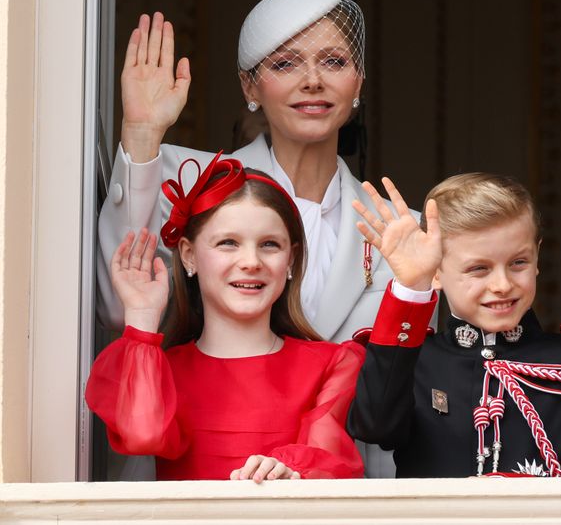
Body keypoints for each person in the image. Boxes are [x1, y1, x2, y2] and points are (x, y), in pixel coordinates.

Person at [97, 0, 406, 476]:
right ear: (249, 87)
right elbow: (122, 307)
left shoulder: (393, 224)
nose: (312, 81)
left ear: (359, 82)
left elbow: (391, 384)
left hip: (332, 483)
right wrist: (140, 135)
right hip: (180, 475)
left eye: (334, 62)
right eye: (285, 64)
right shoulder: (187, 181)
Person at [86, 154, 365, 481]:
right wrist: (142, 316)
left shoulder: (332, 364)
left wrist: (290, 471)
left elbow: (329, 461)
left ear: (291, 259)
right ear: (189, 255)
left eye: (270, 245)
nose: (251, 261)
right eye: (228, 243)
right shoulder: (162, 370)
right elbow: (142, 434)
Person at [347, 174, 561, 477]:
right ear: (437, 272)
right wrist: (412, 286)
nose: (502, 285)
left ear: (538, 257)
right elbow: (374, 426)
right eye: (479, 269)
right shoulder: (413, 364)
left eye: (518, 263)